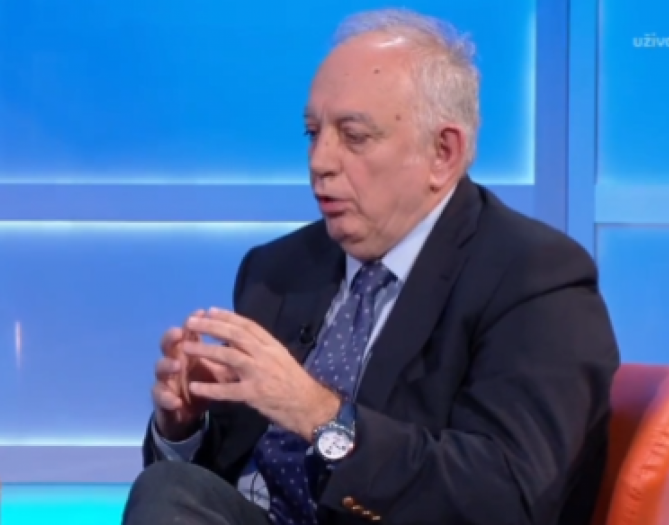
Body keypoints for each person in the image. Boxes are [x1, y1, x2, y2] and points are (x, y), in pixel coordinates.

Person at [123, 8, 620, 525]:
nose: (320, 161)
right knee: (169, 487)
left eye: (354, 136)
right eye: (313, 133)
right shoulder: (278, 270)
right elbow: (214, 484)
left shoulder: (532, 277)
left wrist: (320, 415)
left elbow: (506, 495)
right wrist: (184, 429)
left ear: (443, 153)